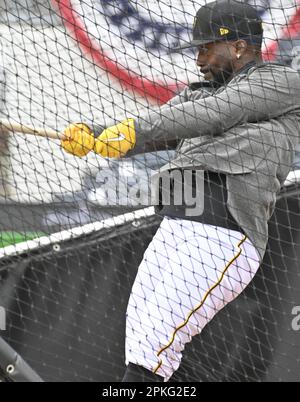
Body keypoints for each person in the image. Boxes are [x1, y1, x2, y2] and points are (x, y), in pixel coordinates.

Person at [60, 0, 300, 382]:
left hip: (224, 231)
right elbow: (167, 124)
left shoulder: (279, 81)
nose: (198, 58)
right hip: (176, 225)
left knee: (155, 343)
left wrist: (136, 131)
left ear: (238, 46)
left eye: (207, 48)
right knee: (141, 345)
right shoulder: (199, 95)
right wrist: (94, 133)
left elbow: (215, 113)